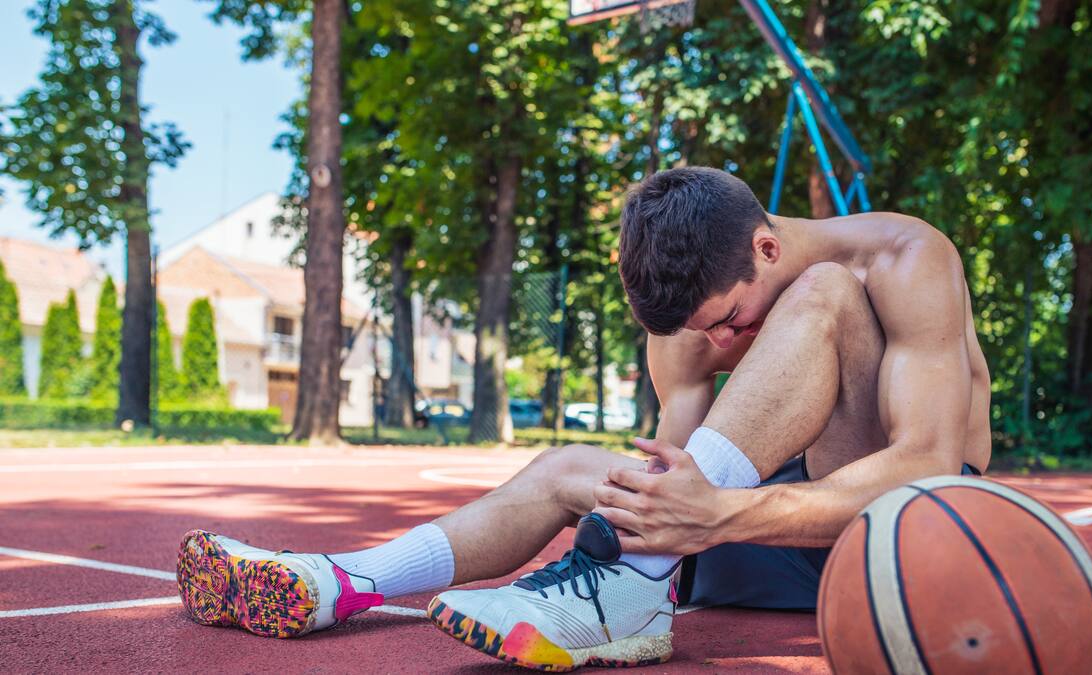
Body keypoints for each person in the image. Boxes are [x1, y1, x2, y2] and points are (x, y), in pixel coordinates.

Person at [175, 166, 991, 671]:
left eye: (732, 320)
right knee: (571, 466)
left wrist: (723, 510)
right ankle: (336, 581)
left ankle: (626, 589)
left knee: (826, 300)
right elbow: (666, 484)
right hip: (769, 530)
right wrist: (671, 522)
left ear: (767, 249)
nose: (721, 342)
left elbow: (926, 463)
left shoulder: (904, 259)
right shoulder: (685, 333)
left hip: (903, 535)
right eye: (700, 333)